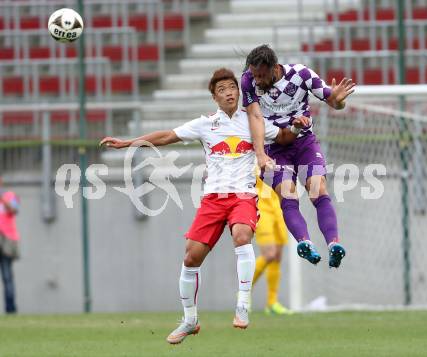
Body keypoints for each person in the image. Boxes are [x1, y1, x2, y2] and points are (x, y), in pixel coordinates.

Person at [100, 68, 308, 344]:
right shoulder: (205, 124)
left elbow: (282, 137)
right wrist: (129, 143)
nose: (229, 92)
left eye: (232, 86)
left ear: (239, 90)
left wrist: (295, 127)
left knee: (242, 235)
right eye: (222, 89)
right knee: (190, 258)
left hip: (243, 195)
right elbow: (167, 136)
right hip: (212, 199)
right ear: (215, 97)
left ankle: (243, 305)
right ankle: (189, 320)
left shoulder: (252, 121)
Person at [242, 44, 356, 268]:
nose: (258, 80)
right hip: (274, 147)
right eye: (255, 75)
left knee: (318, 189)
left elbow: (333, 101)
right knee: (288, 195)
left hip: (304, 143)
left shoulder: (301, 75)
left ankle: (333, 243)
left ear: (275, 68)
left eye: (262, 75)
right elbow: (254, 116)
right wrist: (260, 154)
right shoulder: (248, 80)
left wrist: (339, 100)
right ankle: (305, 243)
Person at [253, 177, 292, 315]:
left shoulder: (278, 156)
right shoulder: (250, 157)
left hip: (279, 208)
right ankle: (243, 291)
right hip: (261, 209)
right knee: (269, 254)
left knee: (276, 256)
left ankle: (272, 303)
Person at [0, 176, 20, 314]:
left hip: (6, 239)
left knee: (7, 276)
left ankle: (10, 309)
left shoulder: (10, 195)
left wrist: (1, 197)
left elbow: (14, 210)